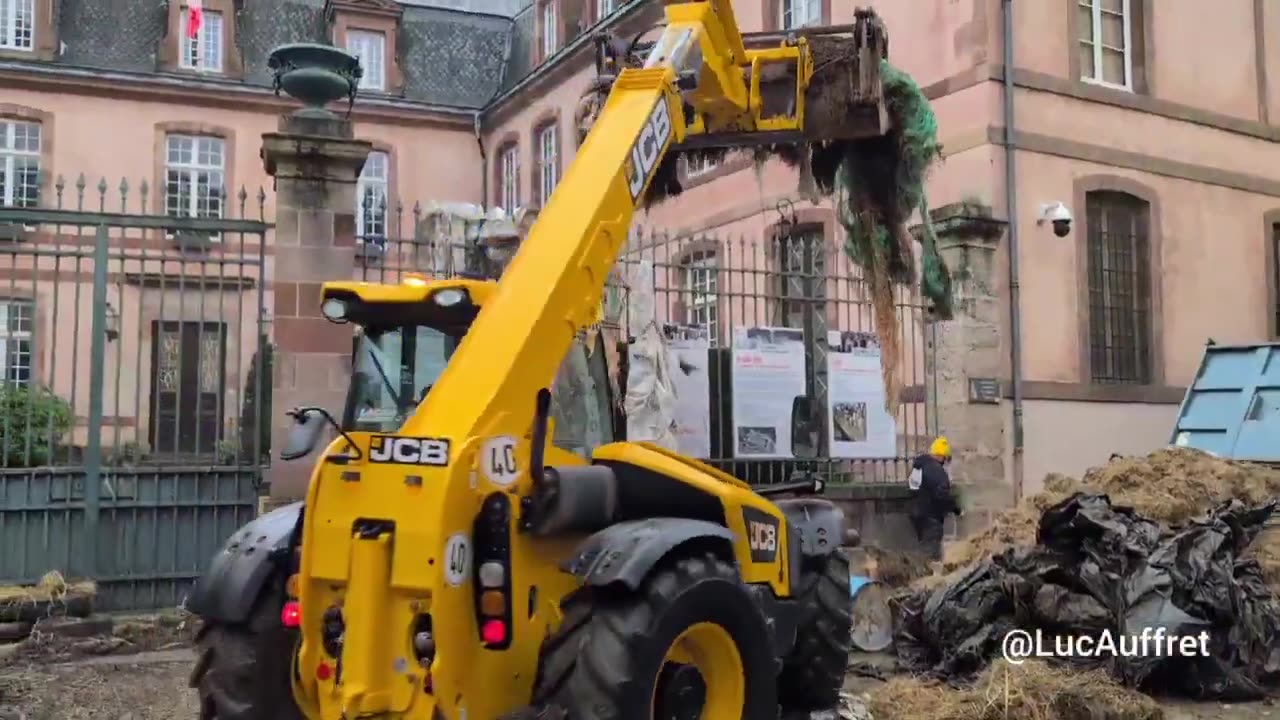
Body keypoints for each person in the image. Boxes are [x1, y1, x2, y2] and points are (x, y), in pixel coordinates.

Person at [908, 436, 961, 561]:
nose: (945, 462)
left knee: (924, 548)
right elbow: (942, 494)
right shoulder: (936, 471)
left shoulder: (919, 466)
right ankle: (928, 579)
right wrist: (956, 508)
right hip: (931, 516)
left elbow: (913, 488)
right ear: (941, 456)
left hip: (918, 515)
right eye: (946, 458)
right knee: (931, 555)